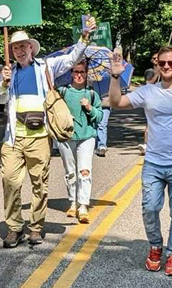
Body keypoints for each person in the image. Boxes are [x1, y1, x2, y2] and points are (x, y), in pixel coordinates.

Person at [0, 18, 96, 248]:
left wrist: (84, 37)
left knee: (39, 183)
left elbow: (72, 58)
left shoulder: (45, 66)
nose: (19, 51)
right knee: (10, 180)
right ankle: (14, 227)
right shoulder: (8, 73)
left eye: (23, 46)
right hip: (13, 139)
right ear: (12, 51)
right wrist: (3, 83)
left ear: (31, 48)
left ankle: (36, 227)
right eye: (15, 47)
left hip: (39, 137)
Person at [109, 46, 172, 276]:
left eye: (171, 63)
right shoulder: (148, 91)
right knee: (150, 208)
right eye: (162, 63)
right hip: (154, 163)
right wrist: (115, 76)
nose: (166, 66)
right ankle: (156, 246)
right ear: (157, 64)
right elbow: (116, 102)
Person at [58, 61, 103, 223]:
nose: (79, 75)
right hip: (66, 136)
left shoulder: (91, 94)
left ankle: (83, 205)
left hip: (87, 136)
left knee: (84, 170)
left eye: (82, 72)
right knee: (70, 171)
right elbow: (52, 111)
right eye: (76, 71)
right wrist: (64, 116)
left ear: (86, 74)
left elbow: (100, 116)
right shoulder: (62, 92)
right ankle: (73, 202)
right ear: (71, 73)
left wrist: (89, 107)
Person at [137, 52, 159, 155]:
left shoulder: (165, 71)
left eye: (158, 58)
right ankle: (146, 144)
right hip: (151, 100)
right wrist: (157, 73)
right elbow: (149, 83)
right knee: (149, 124)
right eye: (154, 58)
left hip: (162, 100)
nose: (156, 60)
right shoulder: (150, 71)